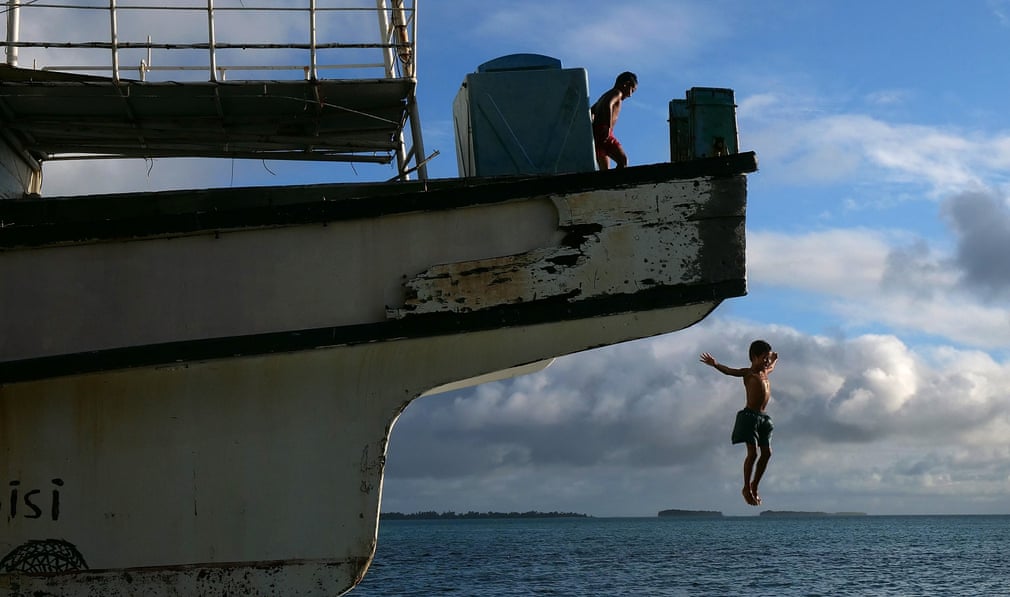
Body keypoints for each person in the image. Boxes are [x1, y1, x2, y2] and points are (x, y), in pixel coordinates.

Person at [700, 340, 778, 506]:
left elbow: (773, 365)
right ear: (754, 357)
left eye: (767, 358)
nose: (766, 361)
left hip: (763, 418)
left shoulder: (766, 371)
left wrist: (774, 358)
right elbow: (729, 371)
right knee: (753, 453)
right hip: (749, 416)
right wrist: (715, 364)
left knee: (767, 453)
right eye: (763, 358)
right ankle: (746, 488)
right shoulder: (748, 373)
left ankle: (754, 486)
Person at [591, 71, 637, 170]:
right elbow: (608, 104)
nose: (630, 95)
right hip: (605, 131)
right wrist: (608, 127)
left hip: (597, 135)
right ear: (626, 84)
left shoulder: (603, 96)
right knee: (623, 161)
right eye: (632, 90)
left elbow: (592, 110)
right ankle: (619, 185)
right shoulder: (617, 93)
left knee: (605, 171)